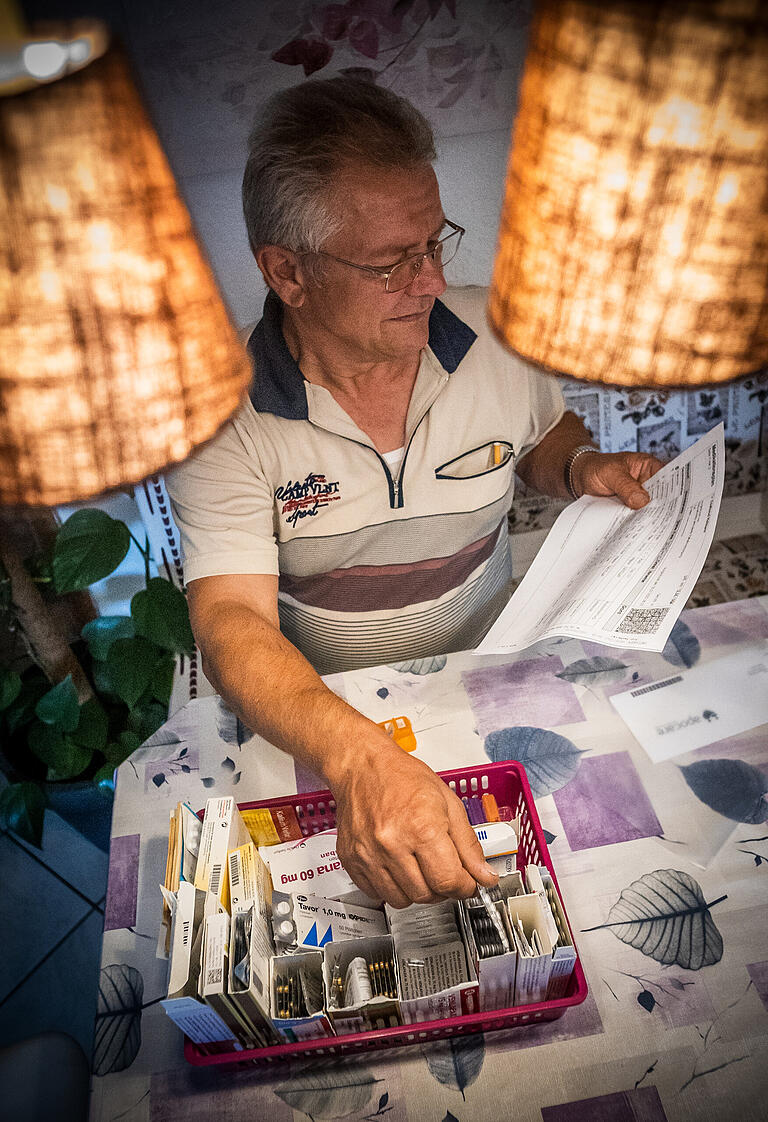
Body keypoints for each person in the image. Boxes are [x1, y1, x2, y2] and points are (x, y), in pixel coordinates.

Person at [166, 77, 662, 909]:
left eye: (435, 244)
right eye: (391, 263)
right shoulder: (216, 412)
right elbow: (231, 623)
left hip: (492, 665)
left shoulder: (497, 336)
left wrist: (581, 469)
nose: (430, 282)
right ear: (287, 272)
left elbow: (543, 434)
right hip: (324, 715)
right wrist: (359, 758)